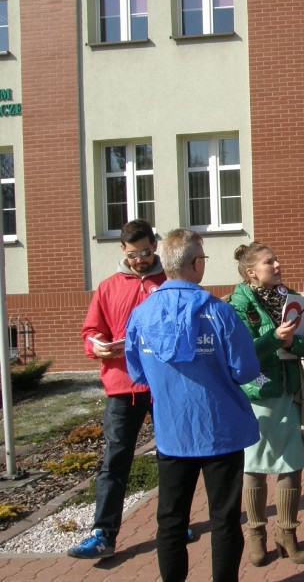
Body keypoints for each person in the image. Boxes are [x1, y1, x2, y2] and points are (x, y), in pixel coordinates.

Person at [125, 229, 260, 582]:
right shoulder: (219, 312)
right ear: (196, 264)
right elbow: (246, 369)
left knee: (170, 521)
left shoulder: (142, 314)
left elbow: (137, 372)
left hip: (173, 432)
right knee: (224, 519)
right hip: (221, 431)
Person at [70, 219, 174, 559]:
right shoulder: (108, 287)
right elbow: (90, 330)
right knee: (114, 462)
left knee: (172, 458)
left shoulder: (170, 283)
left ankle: (174, 523)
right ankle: (103, 533)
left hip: (163, 385)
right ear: (122, 251)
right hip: (121, 386)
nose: (140, 260)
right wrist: (95, 345)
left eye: (145, 252)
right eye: (133, 254)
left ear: (154, 246)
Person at [230, 242, 304, 566]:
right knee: (254, 465)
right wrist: (273, 339)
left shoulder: (292, 298)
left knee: (291, 463)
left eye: (277, 259)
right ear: (251, 271)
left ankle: (287, 533)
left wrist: (293, 341)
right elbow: (240, 352)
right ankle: (256, 534)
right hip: (258, 395)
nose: (278, 264)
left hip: (289, 392)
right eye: (271, 261)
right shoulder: (238, 303)